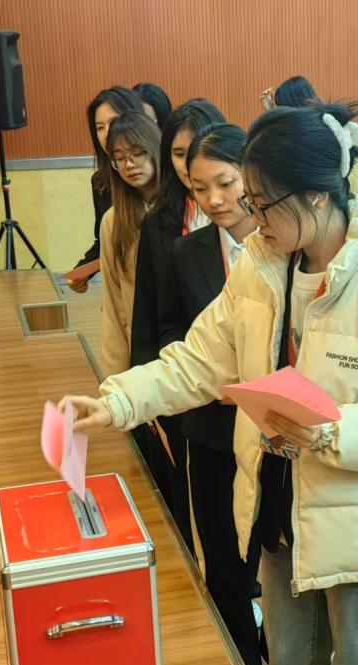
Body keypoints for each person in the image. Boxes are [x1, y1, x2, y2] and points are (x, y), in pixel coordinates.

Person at [59, 102, 358, 665]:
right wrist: (117, 400)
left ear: (317, 196)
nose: (250, 217)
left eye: (262, 203)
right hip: (280, 508)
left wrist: (328, 430)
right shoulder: (260, 268)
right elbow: (198, 360)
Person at [157, 123, 266, 665]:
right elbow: (170, 334)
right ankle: (244, 662)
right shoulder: (185, 252)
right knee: (221, 556)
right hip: (211, 429)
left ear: (251, 176)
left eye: (225, 183)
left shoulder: (284, 250)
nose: (214, 199)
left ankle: (274, 639)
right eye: (200, 189)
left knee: (268, 552)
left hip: (272, 433)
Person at [133, 99, 226, 550]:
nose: (188, 165)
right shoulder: (162, 224)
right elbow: (152, 311)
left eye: (196, 151)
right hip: (187, 379)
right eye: (177, 153)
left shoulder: (255, 227)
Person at [98, 112, 161, 375]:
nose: (129, 164)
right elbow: (113, 304)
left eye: (138, 153)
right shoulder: (113, 221)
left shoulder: (183, 211)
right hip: (139, 352)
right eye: (120, 158)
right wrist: (114, 380)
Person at [67, 86, 146, 293]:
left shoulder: (151, 174)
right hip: (121, 287)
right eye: (99, 127)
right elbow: (104, 239)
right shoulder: (101, 182)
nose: (106, 133)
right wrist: (82, 271)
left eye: (113, 122)